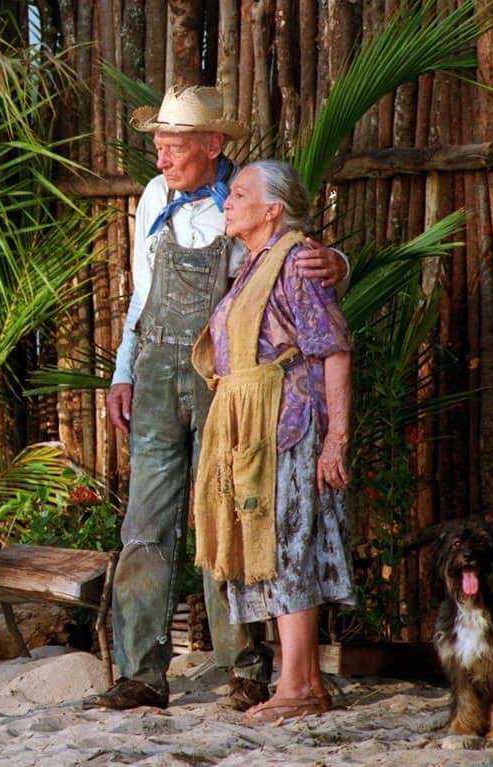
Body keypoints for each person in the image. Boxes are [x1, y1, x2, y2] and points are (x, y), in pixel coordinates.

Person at [83, 85, 347, 712]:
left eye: (173, 147)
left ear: (213, 146)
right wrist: (124, 373)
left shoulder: (247, 203)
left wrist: (337, 260)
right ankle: (142, 673)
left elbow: (298, 263)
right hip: (153, 378)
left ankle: (244, 667)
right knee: (144, 526)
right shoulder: (153, 199)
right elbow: (141, 299)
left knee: (226, 517)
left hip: (223, 388)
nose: (162, 159)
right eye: (158, 145)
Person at [191, 159, 354, 723]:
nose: (227, 202)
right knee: (275, 544)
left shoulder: (296, 263)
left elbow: (333, 350)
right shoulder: (256, 262)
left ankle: (296, 688)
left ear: (273, 209)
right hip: (255, 425)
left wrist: (336, 438)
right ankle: (304, 680)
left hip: (288, 423)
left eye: (239, 194)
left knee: (287, 547)